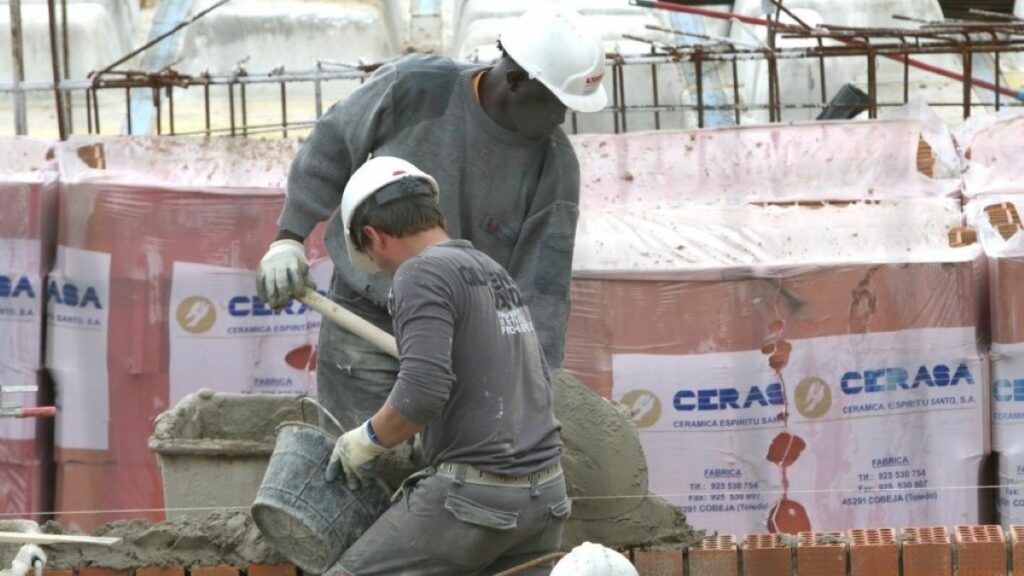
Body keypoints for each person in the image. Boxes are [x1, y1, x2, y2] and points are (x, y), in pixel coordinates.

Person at [255, 6, 606, 433]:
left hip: (462, 343)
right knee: (355, 466)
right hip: (365, 320)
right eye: (556, 102)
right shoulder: (417, 87)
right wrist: (287, 239)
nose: (561, 118)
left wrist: (530, 384)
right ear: (514, 79)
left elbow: (544, 288)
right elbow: (331, 147)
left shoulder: (554, 166)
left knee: (442, 483)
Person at [323, 156, 568, 575]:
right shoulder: (490, 270)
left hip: (476, 501)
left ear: (373, 236)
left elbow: (421, 393)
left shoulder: (420, 274)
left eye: (374, 259)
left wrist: (363, 441)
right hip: (545, 498)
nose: (382, 271)